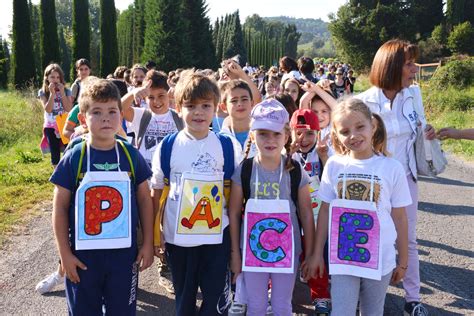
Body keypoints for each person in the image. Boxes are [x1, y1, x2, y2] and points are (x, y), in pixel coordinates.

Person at [50, 79, 154, 314]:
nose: (106, 118)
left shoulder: (130, 155)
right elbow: (59, 207)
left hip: (123, 259)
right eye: (97, 112)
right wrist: (64, 254)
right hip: (83, 259)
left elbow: (145, 200)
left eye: (112, 111)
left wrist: (148, 242)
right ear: (84, 119)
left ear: (121, 115)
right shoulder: (74, 156)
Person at [306, 98, 410, 316]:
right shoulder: (334, 166)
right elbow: (325, 211)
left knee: (372, 312)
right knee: (341, 311)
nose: (353, 135)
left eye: (360, 127)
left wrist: (404, 259)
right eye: (345, 131)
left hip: (381, 257)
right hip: (342, 257)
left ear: (373, 126)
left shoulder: (392, 168)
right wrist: (317, 253)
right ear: (336, 134)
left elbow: (400, 217)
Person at [356, 39, 436, 316]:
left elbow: (419, 128)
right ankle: (364, 295)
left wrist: (429, 132)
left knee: (408, 239)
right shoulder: (364, 102)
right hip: (373, 182)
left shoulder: (414, 95)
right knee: (370, 235)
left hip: (407, 178)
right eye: (409, 63)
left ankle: (413, 299)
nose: (415, 69)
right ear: (392, 67)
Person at [151, 70, 240, 316]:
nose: (198, 112)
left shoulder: (228, 145)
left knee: (216, 301)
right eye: (190, 106)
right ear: (178, 107)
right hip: (179, 240)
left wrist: (235, 245)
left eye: (205, 105)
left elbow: (236, 196)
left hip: (216, 237)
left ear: (216, 108)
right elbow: (157, 192)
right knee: (184, 300)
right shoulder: (167, 146)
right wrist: (154, 236)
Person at [228, 99, 315, 316]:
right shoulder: (244, 170)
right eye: (263, 133)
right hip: (251, 252)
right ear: (252, 135)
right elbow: (234, 213)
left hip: (287, 251)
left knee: (282, 305)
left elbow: (306, 213)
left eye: (276, 134)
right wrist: (235, 254)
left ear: (287, 136)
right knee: (256, 306)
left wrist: (311, 253)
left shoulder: (295, 171)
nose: (270, 140)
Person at [289, 109, 331, 314]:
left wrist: (324, 157)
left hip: (316, 217)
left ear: (318, 133)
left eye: (309, 134)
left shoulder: (324, 152)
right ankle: (279, 293)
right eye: (298, 132)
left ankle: (321, 295)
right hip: (293, 216)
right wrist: (287, 154)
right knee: (288, 255)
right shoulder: (287, 153)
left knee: (316, 254)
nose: (303, 139)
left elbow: (332, 182)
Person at [38, 63, 73, 167]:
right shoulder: (43, 92)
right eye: (52, 77)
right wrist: (52, 94)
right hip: (50, 126)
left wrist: (62, 92)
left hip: (64, 124)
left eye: (58, 77)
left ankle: (68, 171)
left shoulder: (66, 91)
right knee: (55, 151)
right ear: (47, 78)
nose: (55, 80)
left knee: (69, 149)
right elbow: (48, 110)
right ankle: (56, 174)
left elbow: (68, 108)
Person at [219, 79, 254, 151]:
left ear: (252, 103)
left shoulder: (263, 135)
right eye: (234, 101)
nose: (240, 104)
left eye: (244, 99)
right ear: (224, 107)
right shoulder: (219, 140)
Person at [63, 59, 92, 141]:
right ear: (77, 71)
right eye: (81, 69)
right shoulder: (76, 85)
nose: (84, 71)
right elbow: (70, 101)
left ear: (90, 70)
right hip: (78, 111)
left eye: (86, 69)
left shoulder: (94, 82)